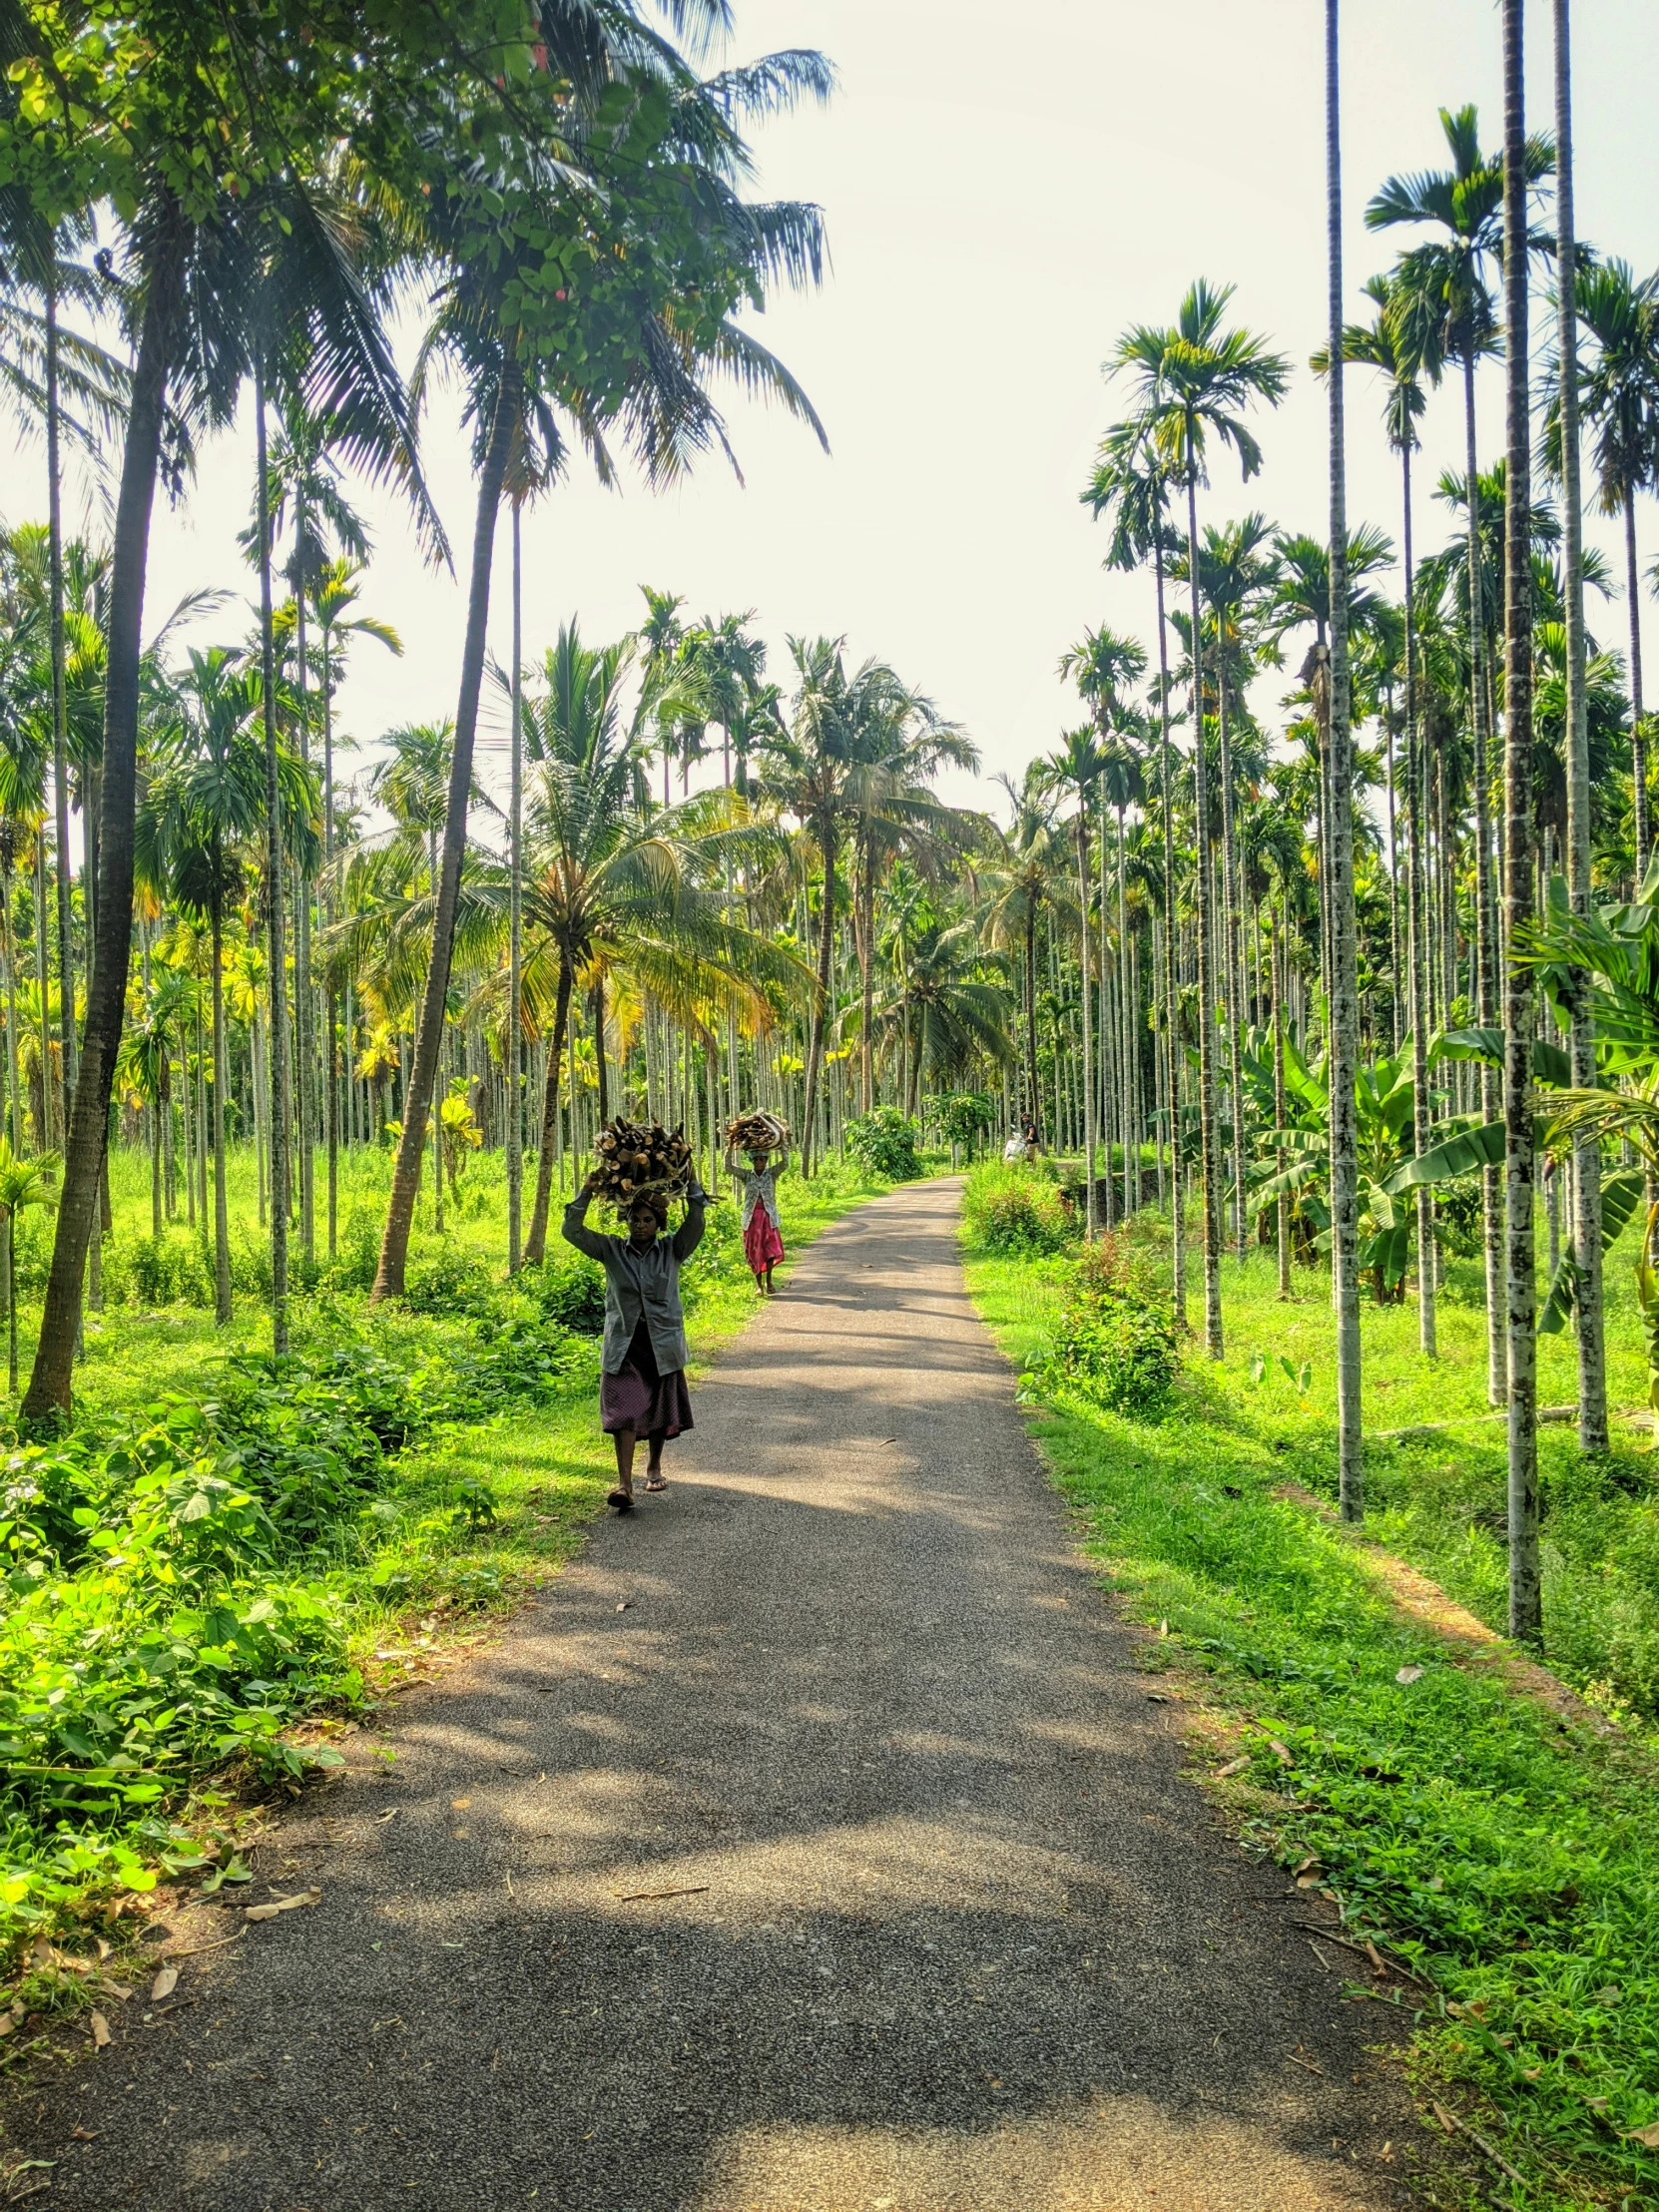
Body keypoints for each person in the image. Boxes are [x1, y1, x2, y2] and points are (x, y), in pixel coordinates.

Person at [562, 1171, 707, 1512]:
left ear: (658, 1223)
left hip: (662, 1343)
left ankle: (654, 1465)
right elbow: (572, 1231)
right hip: (625, 1345)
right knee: (625, 1412)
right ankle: (624, 1485)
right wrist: (587, 1190)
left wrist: (691, 1184)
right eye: (634, 1219)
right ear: (625, 1221)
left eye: (647, 1220)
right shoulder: (611, 1250)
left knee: (659, 1407)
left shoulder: (673, 1250)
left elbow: (696, 1220)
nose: (640, 1225)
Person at [725, 1141, 788, 1295]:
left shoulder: (772, 1174)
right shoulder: (746, 1175)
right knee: (755, 1251)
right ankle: (759, 1285)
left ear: (766, 1161)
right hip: (752, 1220)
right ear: (751, 1161)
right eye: (756, 1159)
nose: (759, 1162)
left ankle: (769, 1281)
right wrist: (729, 1148)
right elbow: (728, 1167)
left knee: (770, 1250)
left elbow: (785, 1163)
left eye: (762, 1159)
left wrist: (783, 1146)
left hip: (768, 1218)